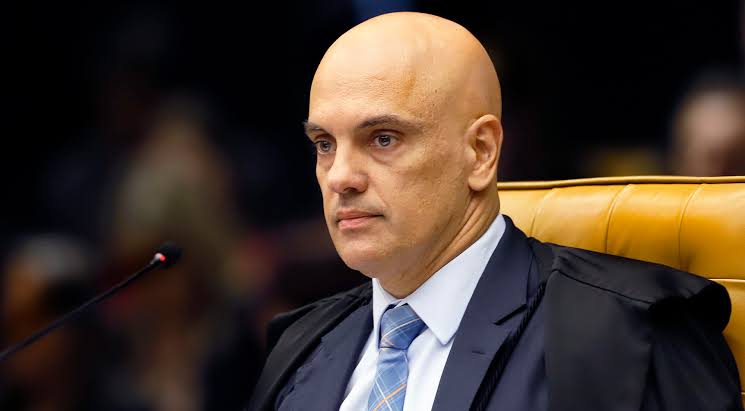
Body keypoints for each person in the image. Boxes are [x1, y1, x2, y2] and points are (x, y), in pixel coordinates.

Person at [247, 12, 742, 411]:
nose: (340, 177)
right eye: (325, 144)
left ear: (480, 152)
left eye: (383, 139)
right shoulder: (301, 346)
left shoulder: (632, 335)